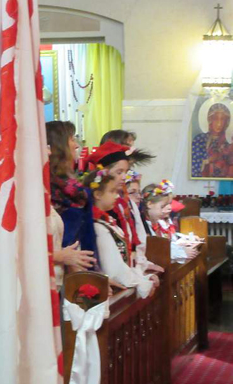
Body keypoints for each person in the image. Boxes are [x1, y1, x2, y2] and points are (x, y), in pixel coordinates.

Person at [84, 168, 158, 299]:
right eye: (112, 191)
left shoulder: (106, 222)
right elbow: (114, 269)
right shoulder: (97, 226)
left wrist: (142, 278)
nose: (117, 196)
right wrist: (143, 283)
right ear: (97, 194)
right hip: (114, 292)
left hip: (121, 289)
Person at [47, 121, 97, 264]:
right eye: (72, 139)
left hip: (78, 266)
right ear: (59, 145)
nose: (76, 145)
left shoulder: (76, 191)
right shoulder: (49, 188)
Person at [141, 181, 198, 261]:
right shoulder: (142, 225)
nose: (169, 208)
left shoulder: (159, 222)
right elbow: (154, 251)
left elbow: (166, 244)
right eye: (163, 206)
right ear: (149, 204)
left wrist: (182, 248)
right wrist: (181, 253)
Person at [191, 103, 231, 178]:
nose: (219, 124)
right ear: (210, 119)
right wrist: (207, 161)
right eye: (215, 118)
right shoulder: (199, 140)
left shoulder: (228, 144)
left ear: (226, 122)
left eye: (222, 119)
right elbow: (194, 169)